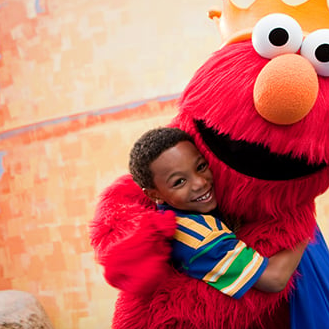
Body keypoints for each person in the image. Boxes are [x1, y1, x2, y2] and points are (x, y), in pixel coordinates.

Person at [128, 126, 307, 298]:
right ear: (154, 195)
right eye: (179, 181)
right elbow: (274, 279)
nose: (200, 183)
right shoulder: (196, 238)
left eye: (201, 167)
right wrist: (304, 217)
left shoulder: (185, 209)